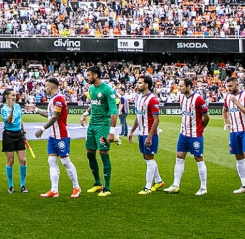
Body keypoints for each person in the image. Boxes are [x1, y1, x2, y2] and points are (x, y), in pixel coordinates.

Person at [34, 77, 81, 199]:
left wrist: (42, 129)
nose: (45, 88)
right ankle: (54, 190)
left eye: (46, 86)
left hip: (61, 136)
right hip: (53, 136)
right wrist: (37, 110)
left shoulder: (59, 99)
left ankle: (76, 187)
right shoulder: (54, 99)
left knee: (65, 161)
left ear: (51, 86)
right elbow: (50, 115)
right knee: (51, 161)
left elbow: (54, 117)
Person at [79, 65, 119, 196]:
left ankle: (107, 188)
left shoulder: (107, 90)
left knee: (103, 153)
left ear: (95, 75)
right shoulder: (91, 89)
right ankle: (97, 183)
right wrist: (85, 113)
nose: (87, 78)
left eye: (89, 75)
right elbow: (93, 104)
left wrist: (112, 131)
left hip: (103, 125)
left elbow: (113, 111)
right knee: (90, 153)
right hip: (92, 125)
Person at [168, 78, 208, 196]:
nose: (179, 88)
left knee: (198, 158)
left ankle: (203, 187)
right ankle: (175, 185)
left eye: (181, 86)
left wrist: (201, 128)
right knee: (179, 156)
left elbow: (206, 116)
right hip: (183, 133)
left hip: (195, 134)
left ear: (189, 87)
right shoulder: (181, 97)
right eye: (179, 86)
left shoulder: (198, 99)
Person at [127, 74, 164, 195]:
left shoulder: (152, 99)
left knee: (149, 158)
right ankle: (158, 181)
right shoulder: (138, 98)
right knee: (146, 157)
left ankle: (148, 187)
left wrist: (149, 136)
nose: (138, 85)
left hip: (149, 133)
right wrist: (132, 131)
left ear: (146, 85)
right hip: (141, 133)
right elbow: (139, 117)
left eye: (140, 83)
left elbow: (156, 120)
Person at [223, 76, 245, 196]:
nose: (229, 88)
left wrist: (236, 102)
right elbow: (224, 110)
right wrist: (225, 122)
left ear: (237, 85)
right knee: (238, 157)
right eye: (227, 86)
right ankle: (244, 185)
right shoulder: (228, 97)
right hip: (234, 130)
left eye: (231, 86)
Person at [0, 89, 27, 194]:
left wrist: (24, 133)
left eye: (15, 95)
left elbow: (20, 120)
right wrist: (11, 109)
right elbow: (9, 121)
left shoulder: (18, 106)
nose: (14, 97)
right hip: (8, 136)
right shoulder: (4, 109)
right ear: (6, 96)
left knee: (23, 160)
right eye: (12, 95)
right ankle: (10, 186)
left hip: (19, 135)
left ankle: (22, 185)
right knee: (10, 161)